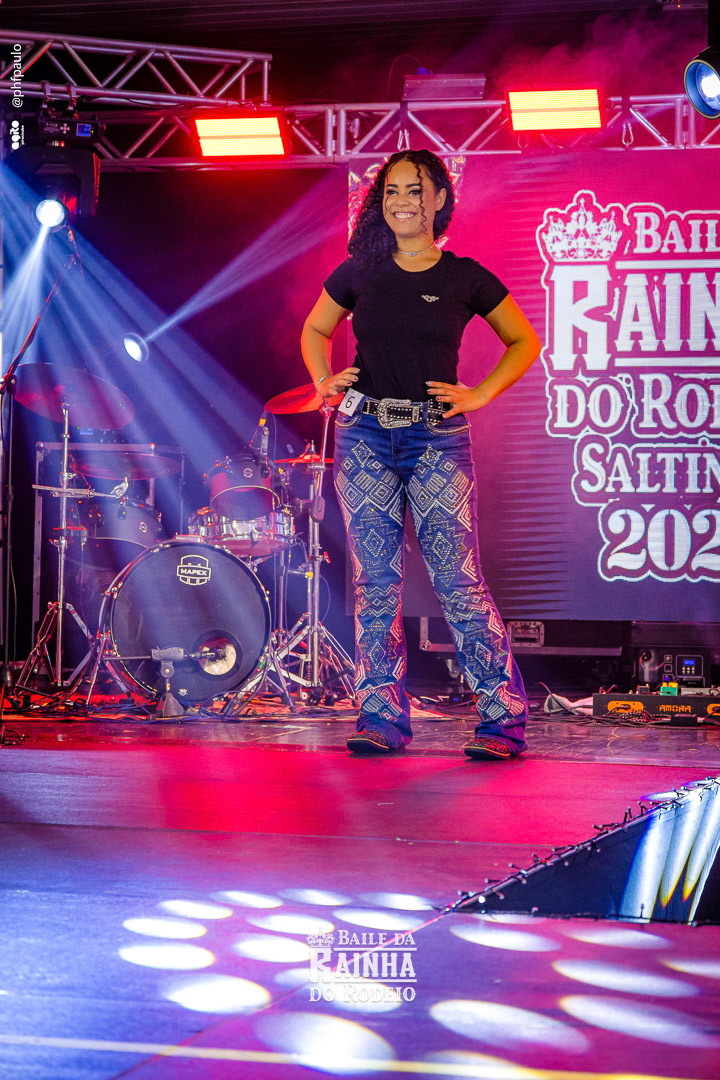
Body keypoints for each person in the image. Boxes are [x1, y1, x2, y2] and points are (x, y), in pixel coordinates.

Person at [301, 148, 540, 759]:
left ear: (438, 200)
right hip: (365, 437)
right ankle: (381, 717)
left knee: (457, 580)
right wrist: (323, 378)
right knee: (375, 582)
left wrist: (479, 394)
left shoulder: (465, 276)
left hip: (436, 438)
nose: (401, 202)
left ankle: (502, 721)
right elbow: (316, 329)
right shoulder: (361, 271)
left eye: (414, 190)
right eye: (391, 192)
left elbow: (523, 340)